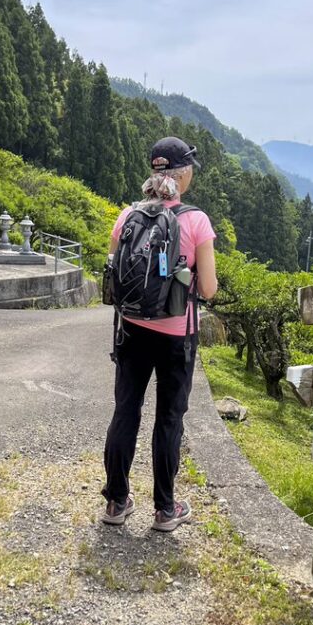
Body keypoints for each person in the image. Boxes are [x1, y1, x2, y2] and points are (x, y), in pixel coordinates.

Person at [102, 136, 218, 531]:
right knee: (169, 418)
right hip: (177, 335)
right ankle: (165, 510)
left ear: (154, 171)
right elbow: (208, 290)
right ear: (183, 175)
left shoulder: (127, 215)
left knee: (126, 410)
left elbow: (115, 270)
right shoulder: (196, 220)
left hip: (131, 329)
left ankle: (116, 502)